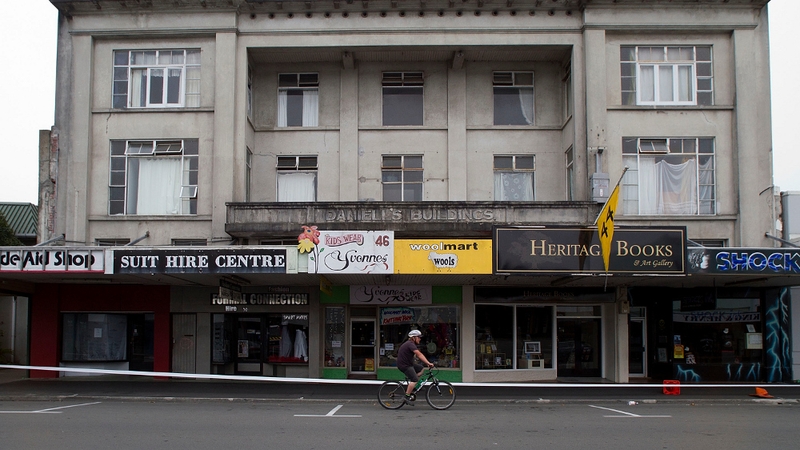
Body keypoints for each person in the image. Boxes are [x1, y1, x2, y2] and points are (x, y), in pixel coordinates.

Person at [396, 329, 434, 405]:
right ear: (413, 338)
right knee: (414, 379)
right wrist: (428, 363)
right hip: (404, 365)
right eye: (418, 337)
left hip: (408, 364)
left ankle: (413, 386)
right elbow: (419, 354)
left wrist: (426, 363)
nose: (420, 339)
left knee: (421, 368)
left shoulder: (411, 344)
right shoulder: (410, 344)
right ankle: (406, 397)